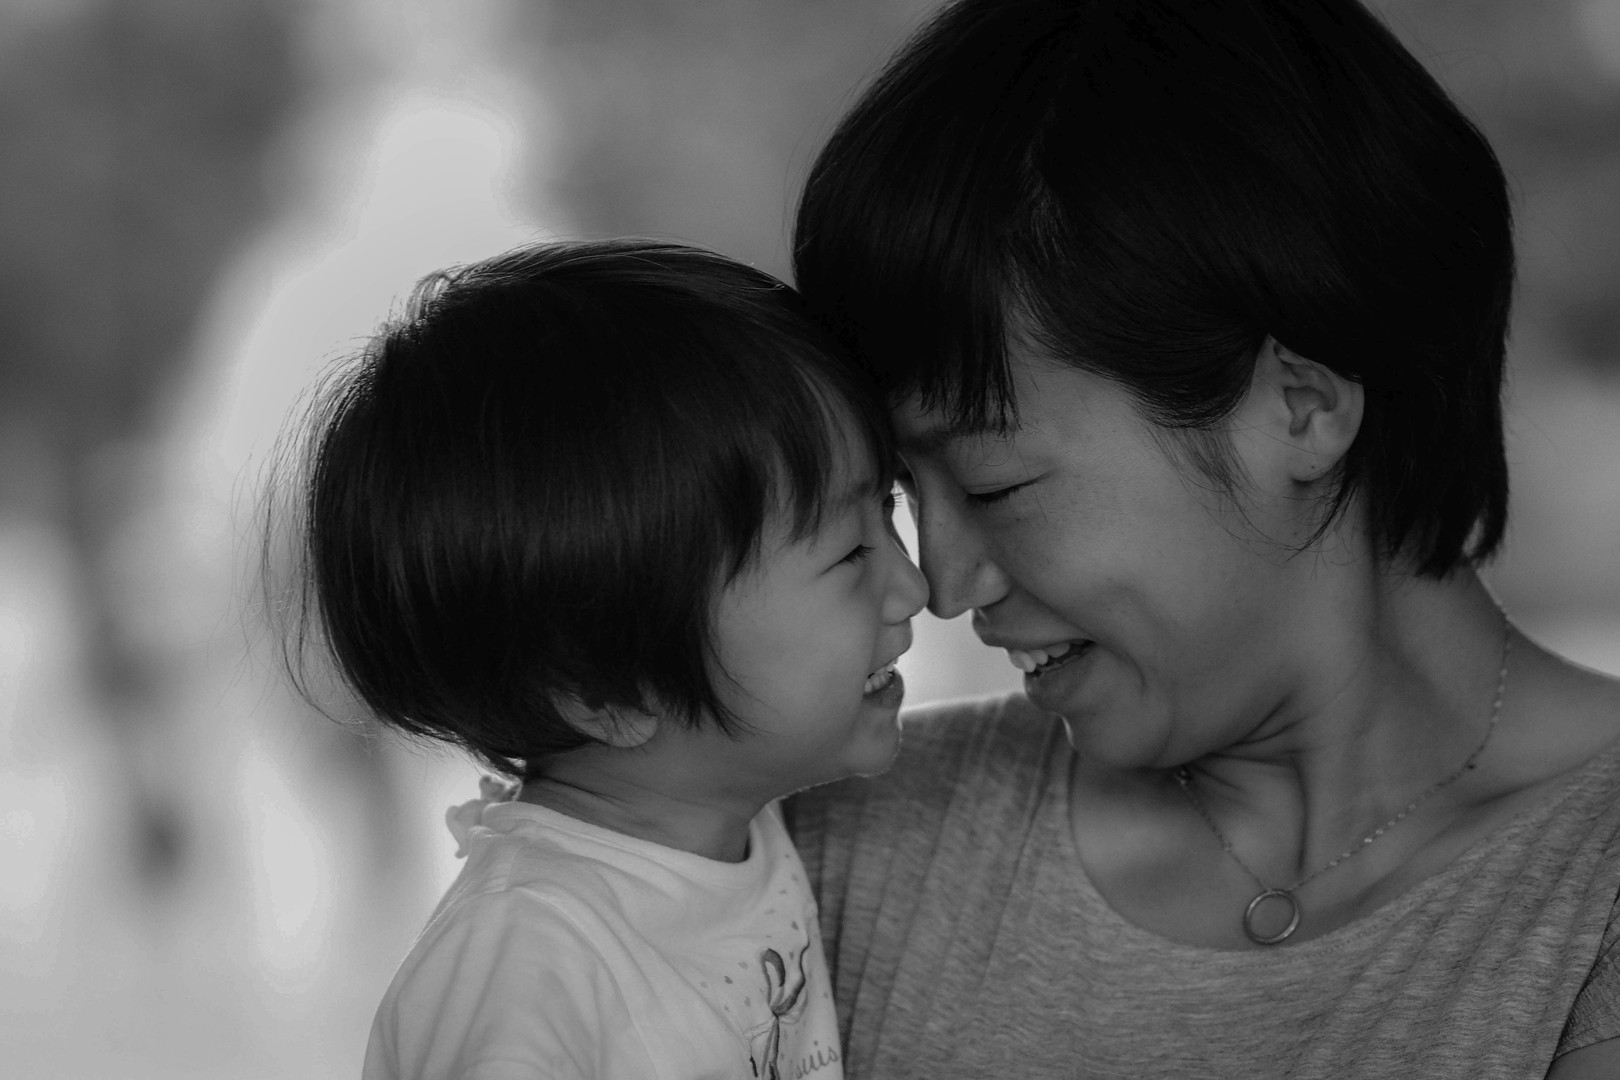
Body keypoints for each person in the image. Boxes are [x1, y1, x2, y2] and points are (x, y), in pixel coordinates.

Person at [786, 0, 1620, 1077]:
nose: (943, 585)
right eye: (906, 492)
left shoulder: (1591, 895)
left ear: (1299, 408)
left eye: (997, 484)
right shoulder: (836, 839)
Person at [268, 238, 927, 1080]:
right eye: (850, 553)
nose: (914, 586)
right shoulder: (529, 971)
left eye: (888, 509)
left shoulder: (726, 832)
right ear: (609, 686)